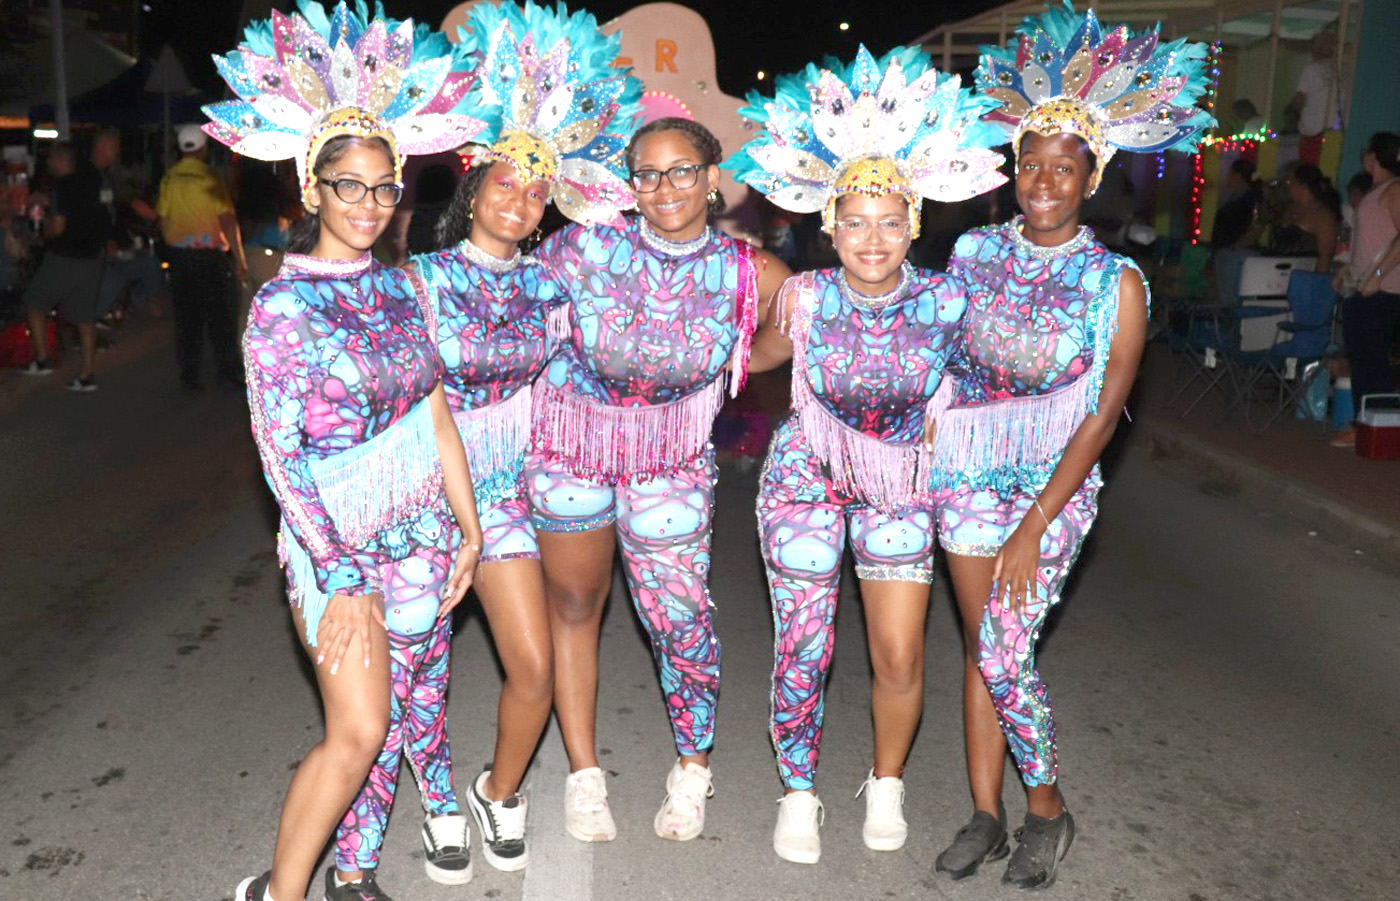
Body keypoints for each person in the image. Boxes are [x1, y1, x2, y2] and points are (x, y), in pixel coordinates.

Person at [203, 4, 494, 899]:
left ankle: (354, 875)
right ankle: (276, 891)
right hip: (333, 540)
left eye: (383, 188)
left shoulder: (404, 291)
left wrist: (470, 528)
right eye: (348, 186)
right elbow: (278, 454)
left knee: (399, 716)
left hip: (423, 529)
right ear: (312, 190)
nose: (367, 206)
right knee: (360, 727)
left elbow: (435, 413)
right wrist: (342, 573)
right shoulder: (282, 307)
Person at [931, 3, 1214, 889]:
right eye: (1032, 163)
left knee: (1003, 651)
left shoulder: (1113, 282)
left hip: (1051, 487)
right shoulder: (973, 251)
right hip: (965, 473)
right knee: (982, 645)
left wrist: (1034, 524)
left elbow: (1101, 416)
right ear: (1013, 169)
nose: (1044, 181)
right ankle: (985, 813)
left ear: (1091, 179)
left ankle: (1048, 809)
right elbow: (944, 354)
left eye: (1064, 167)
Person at [726, 44, 1006, 864]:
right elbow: (754, 359)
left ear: (913, 222)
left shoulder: (948, 300)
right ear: (829, 226)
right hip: (804, 481)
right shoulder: (804, 296)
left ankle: (886, 782)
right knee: (803, 647)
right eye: (854, 221)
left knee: (899, 651)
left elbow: (988, 385)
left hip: (901, 487)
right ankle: (798, 791)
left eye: (889, 221)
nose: (872, 239)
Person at [511, 52, 788, 837]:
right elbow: (513, 305)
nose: (665, 188)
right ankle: (583, 772)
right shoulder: (583, 247)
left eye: (681, 171)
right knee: (574, 606)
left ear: (712, 178)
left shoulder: (748, 269)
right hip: (570, 446)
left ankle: (692, 768)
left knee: (680, 617)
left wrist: (737, 365)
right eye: (648, 174)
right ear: (629, 184)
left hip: (672, 457)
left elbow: (802, 325)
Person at [403, 0, 640, 868]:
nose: (520, 199)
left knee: (534, 667)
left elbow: (603, 366)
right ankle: (439, 804)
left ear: (548, 208)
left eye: (537, 190)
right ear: (472, 189)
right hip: (421, 495)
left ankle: (496, 789)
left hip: (503, 498)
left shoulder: (551, 286)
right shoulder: (421, 281)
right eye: (504, 182)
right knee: (419, 674)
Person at [22, 132, 119, 390]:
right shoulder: (96, 181)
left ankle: (42, 359)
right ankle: (87, 374)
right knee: (85, 317)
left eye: (51, 159)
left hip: (65, 257)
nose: (49, 164)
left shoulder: (63, 186)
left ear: (60, 160)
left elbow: (58, 226)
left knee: (34, 301)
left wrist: (43, 234)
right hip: (92, 258)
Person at [157, 123, 249, 390]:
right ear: (203, 148)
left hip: (180, 257)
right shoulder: (211, 179)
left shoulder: (169, 179)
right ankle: (227, 371)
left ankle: (190, 374)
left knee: (187, 317)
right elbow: (228, 221)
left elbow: (162, 218)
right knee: (220, 316)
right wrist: (240, 259)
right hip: (210, 258)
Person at [1332, 132, 1400, 449]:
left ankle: (1377, 428)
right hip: (1362, 288)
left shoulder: (1394, 189)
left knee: (1374, 362)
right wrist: (1348, 267)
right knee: (1361, 358)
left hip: (1384, 290)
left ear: (1373, 156)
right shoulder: (1375, 191)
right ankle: (1364, 425)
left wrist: (1378, 274)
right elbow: (1371, 240)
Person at [1272, 162, 1340, 274]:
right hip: (1273, 272)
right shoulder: (1288, 208)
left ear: (1304, 186)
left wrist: (1315, 280)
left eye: (1290, 182)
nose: (1287, 186)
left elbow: (1325, 258)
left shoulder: (1323, 215)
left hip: (1303, 274)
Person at [1286, 31, 1341, 166]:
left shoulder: (1312, 69)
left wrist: (1291, 110)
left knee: (1308, 170)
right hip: (1336, 134)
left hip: (1314, 133)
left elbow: (1299, 100)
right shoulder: (1343, 69)